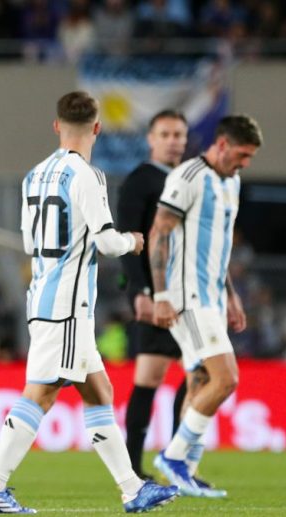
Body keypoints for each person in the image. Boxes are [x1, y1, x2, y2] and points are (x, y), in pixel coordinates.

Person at [0, 91, 178, 514]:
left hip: (46, 296)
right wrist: (132, 241)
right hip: (66, 304)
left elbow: (29, 243)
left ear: (56, 126)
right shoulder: (86, 175)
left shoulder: (34, 176)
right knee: (41, 394)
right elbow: (107, 241)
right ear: (97, 128)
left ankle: (132, 488)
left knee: (99, 391)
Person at [150, 115, 263, 497]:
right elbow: (159, 233)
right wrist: (161, 296)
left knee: (200, 380)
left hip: (212, 298)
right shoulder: (188, 176)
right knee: (226, 378)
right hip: (188, 298)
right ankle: (174, 457)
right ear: (222, 144)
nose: (245, 163)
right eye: (242, 154)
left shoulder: (232, 181)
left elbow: (217, 246)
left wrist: (230, 294)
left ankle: (185, 473)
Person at [116, 110, 192, 480]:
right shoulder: (141, 181)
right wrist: (140, 291)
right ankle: (133, 466)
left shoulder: (188, 178)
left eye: (179, 134)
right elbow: (129, 238)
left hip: (189, 294)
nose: (173, 141)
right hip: (156, 293)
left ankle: (178, 461)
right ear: (151, 139)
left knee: (201, 375)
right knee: (148, 378)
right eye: (166, 134)